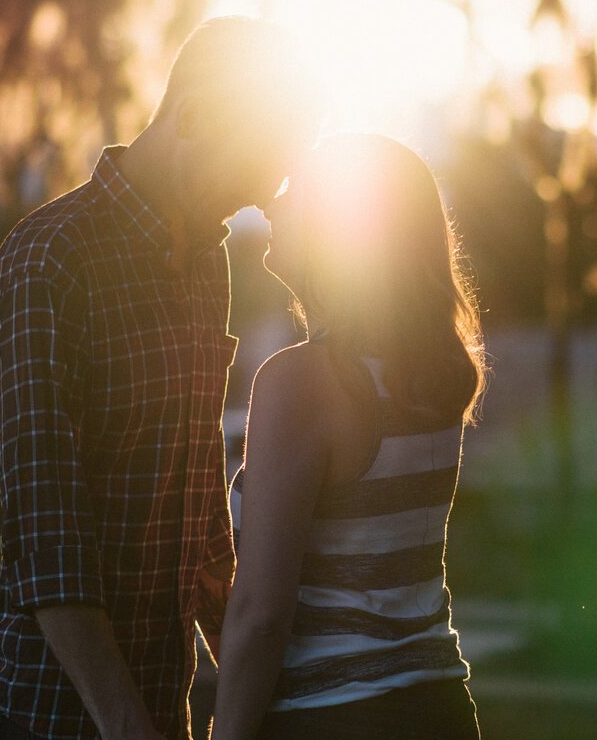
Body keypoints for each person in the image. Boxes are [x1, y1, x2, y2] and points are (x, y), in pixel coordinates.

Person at [0, 17, 321, 740]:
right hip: (39, 720)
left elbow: (199, 506)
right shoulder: (49, 262)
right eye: (246, 172)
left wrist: (259, 674)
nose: (247, 203)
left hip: (155, 713)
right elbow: (48, 538)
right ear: (191, 116)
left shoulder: (205, 262)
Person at [211, 134, 487, 740]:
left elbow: (263, 613)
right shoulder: (430, 374)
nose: (273, 203)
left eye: (295, 190)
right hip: (438, 706)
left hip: (334, 717)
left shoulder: (302, 382)